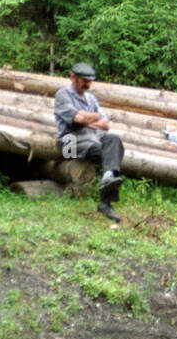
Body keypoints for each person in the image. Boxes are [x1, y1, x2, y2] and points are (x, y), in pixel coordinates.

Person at [53, 62, 125, 221]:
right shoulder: (63, 95)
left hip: (92, 141)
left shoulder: (91, 98)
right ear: (73, 77)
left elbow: (106, 124)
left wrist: (89, 119)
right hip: (70, 142)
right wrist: (94, 117)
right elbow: (78, 119)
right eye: (84, 80)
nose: (87, 84)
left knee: (114, 140)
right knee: (105, 147)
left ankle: (107, 186)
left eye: (89, 81)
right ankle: (107, 193)